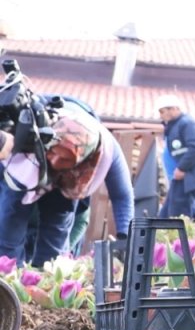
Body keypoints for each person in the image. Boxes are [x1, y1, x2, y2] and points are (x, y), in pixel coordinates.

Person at [0, 95, 135, 266]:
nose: (56, 162)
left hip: (68, 187)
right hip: (29, 164)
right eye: (54, 158)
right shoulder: (25, 133)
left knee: (53, 252)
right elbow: (10, 227)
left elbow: (122, 194)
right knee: (8, 241)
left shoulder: (107, 149)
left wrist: (125, 237)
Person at [155, 94, 195, 220]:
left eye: (162, 111)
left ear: (173, 109)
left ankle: (179, 239)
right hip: (179, 178)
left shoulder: (188, 123)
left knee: (179, 214)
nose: (161, 116)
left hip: (189, 177)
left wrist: (182, 168)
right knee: (166, 214)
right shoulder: (175, 126)